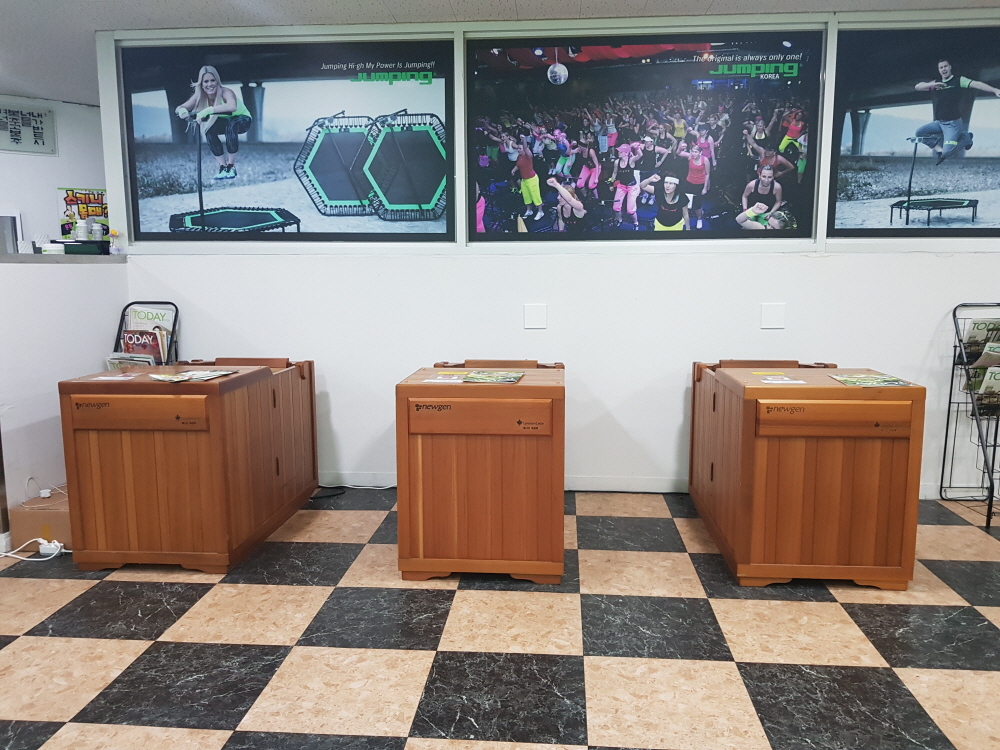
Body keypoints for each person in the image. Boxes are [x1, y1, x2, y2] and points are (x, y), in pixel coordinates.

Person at [915, 58, 1000, 164]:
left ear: (950, 67)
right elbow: (918, 87)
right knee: (919, 132)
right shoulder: (936, 84)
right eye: (941, 67)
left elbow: (977, 84)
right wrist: (931, 85)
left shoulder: (959, 81)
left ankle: (966, 138)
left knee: (948, 152)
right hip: (939, 123)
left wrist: (995, 90)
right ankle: (940, 151)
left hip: (953, 124)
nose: (943, 69)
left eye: (945, 66)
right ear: (939, 70)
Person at [175, 65, 252, 180]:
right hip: (225, 121)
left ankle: (231, 166)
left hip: (243, 119)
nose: (210, 84)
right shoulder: (199, 96)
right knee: (209, 130)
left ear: (217, 81)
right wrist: (182, 112)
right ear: (201, 84)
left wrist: (207, 110)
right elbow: (180, 107)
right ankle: (223, 167)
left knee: (231, 125)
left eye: (212, 80)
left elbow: (232, 107)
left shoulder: (226, 92)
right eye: (206, 81)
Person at [676, 141, 711, 229]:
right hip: (689, 183)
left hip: (699, 184)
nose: (694, 153)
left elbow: (707, 174)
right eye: (693, 151)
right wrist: (681, 147)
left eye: (696, 152)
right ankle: (685, 218)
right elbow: (678, 153)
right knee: (686, 202)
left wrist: (705, 188)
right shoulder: (690, 157)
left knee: (697, 205)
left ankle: (699, 219)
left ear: (700, 153)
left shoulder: (705, 160)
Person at [609, 143, 642, 228]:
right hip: (621, 186)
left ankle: (636, 223)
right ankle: (619, 220)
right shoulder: (617, 162)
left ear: (626, 153)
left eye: (621, 151)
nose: (619, 152)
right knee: (616, 207)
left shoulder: (631, 160)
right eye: (619, 151)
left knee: (630, 210)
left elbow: (640, 155)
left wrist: (637, 147)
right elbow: (614, 173)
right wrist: (612, 184)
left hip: (632, 187)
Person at [512, 135, 544, 221]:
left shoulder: (528, 156)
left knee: (535, 196)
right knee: (526, 197)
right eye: (518, 148)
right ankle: (529, 210)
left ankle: (540, 212)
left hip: (532, 179)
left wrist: (524, 140)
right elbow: (518, 165)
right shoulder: (519, 156)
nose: (518, 150)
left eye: (520, 148)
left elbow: (526, 148)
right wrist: (514, 170)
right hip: (524, 180)